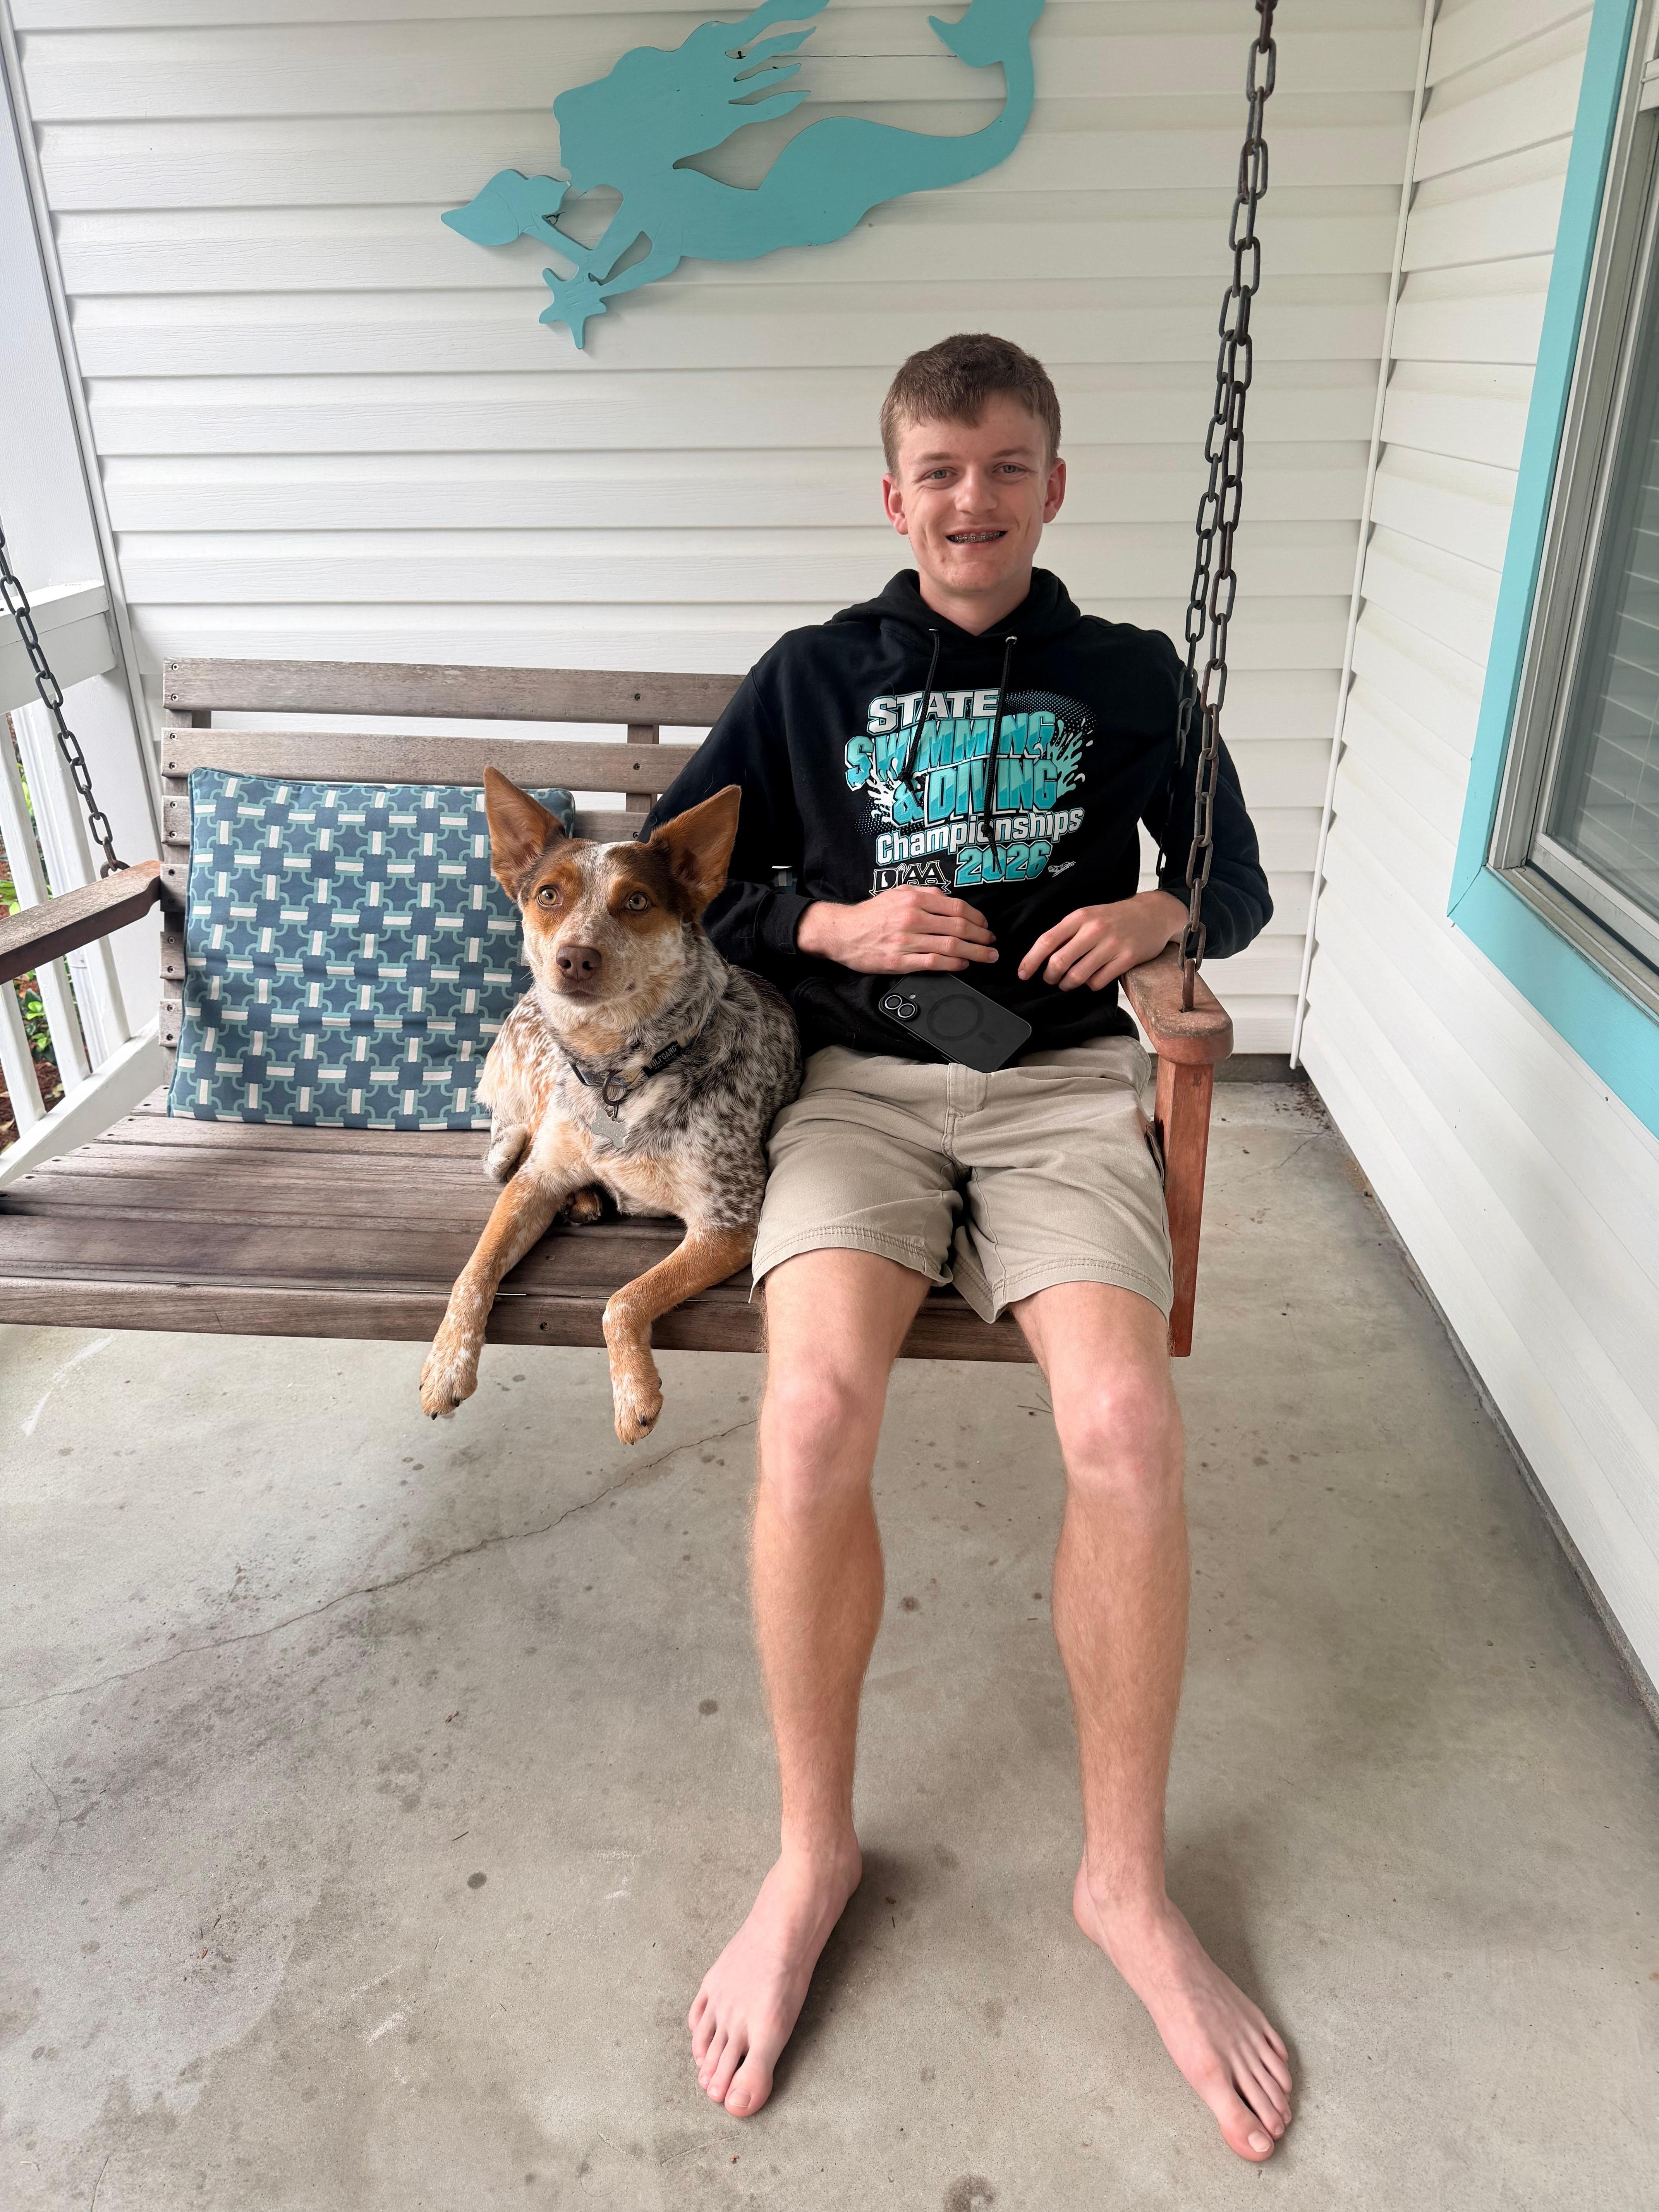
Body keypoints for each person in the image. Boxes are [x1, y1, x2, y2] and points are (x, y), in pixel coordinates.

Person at [642, 333, 1290, 2162]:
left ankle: (1125, 1886)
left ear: (1053, 488)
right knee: (812, 1416)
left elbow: (1229, 881)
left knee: (1124, 1433)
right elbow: (680, 885)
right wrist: (833, 921)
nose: (972, 500)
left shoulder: (1127, 675)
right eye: (939, 469)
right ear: (894, 495)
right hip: (855, 1089)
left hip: (1065, 1090)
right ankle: (811, 1853)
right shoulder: (809, 678)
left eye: (1006, 467)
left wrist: (1157, 906)